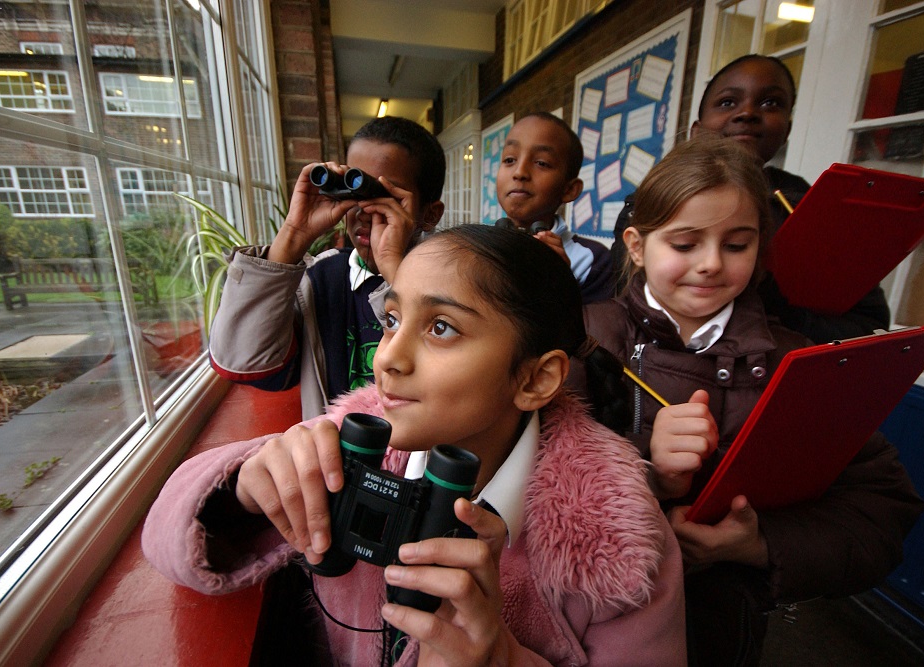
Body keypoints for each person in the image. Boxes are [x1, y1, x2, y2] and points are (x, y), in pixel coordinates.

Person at [143, 224, 686, 666]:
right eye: (393, 320)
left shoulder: (620, 536)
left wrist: (507, 661)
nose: (386, 359)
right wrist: (243, 486)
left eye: (442, 328)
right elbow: (165, 538)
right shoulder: (348, 446)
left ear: (535, 380)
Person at [576, 133, 924, 666]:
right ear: (637, 246)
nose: (712, 263)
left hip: (720, 637)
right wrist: (648, 473)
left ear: (760, 247)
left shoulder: (796, 361)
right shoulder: (584, 340)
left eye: (736, 244)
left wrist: (757, 544)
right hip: (582, 628)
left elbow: (881, 510)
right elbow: (524, 488)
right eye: (686, 243)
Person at [609, 54, 891, 343]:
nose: (747, 113)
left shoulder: (815, 210)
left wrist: (782, 317)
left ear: (787, 130)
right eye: (727, 102)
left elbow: (868, 324)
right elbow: (619, 297)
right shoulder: (646, 205)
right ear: (697, 130)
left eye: (771, 103)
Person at [207, 116, 446, 419]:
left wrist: (395, 271)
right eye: (355, 191)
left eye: (386, 196)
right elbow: (242, 361)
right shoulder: (322, 280)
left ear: (430, 214)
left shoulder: (452, 287)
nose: (363, 210)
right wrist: (293, 235)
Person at [498, 112, 613, 303]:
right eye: (510, 160)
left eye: (541, 163)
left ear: (569, 189)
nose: (519, 172)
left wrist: (561, 283)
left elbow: (592, 330)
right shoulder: (478, 246)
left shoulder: (592, 261)